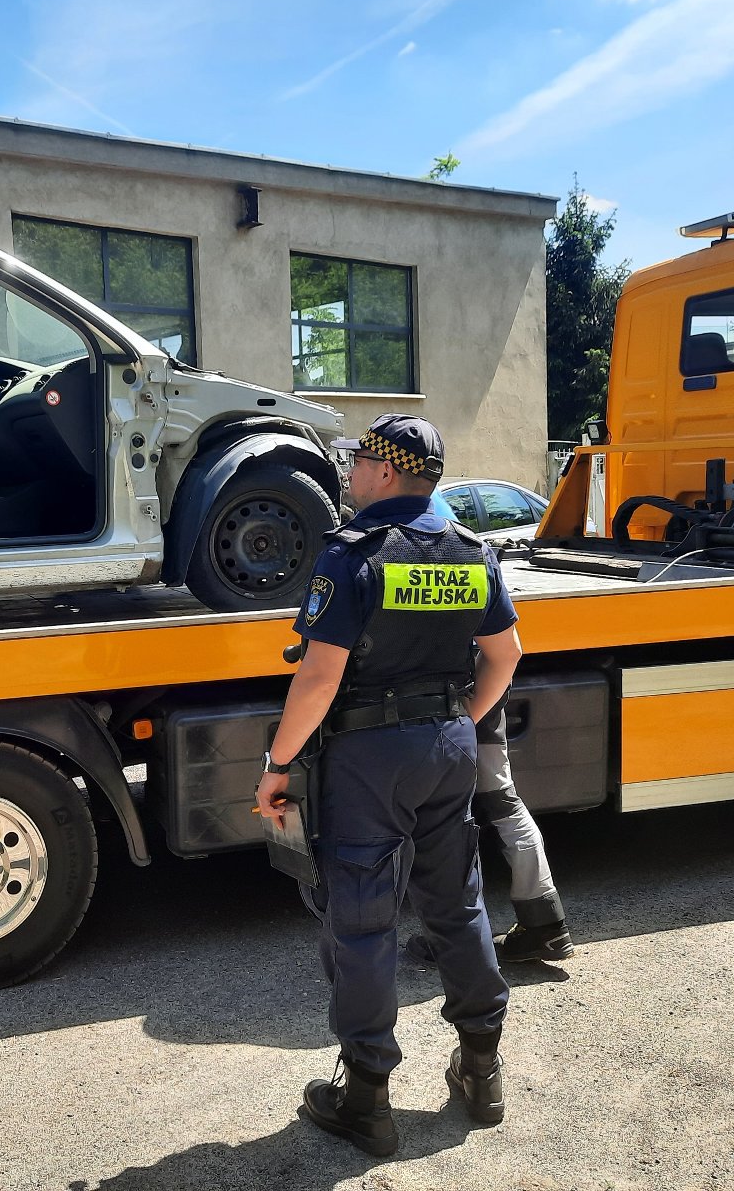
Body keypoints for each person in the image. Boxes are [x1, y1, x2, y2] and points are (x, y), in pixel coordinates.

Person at [255, 413, 523, 1157]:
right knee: (457, 903)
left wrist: (278, 766)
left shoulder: (353, 554)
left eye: (358, 463)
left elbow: (319, 677)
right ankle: (482, 1070)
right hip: (449, 745)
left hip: (368, 756)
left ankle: (367, 1097)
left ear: (387, 471)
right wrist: (456, 720)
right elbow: (506, 654)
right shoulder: (471, 552)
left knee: (364, 919)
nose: (350, 474)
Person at [404, 694, 575, 965]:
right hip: (484, 706)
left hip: (445, 711)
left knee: (444, 816)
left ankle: (454, 939)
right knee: (504, 807)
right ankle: (546, 924)